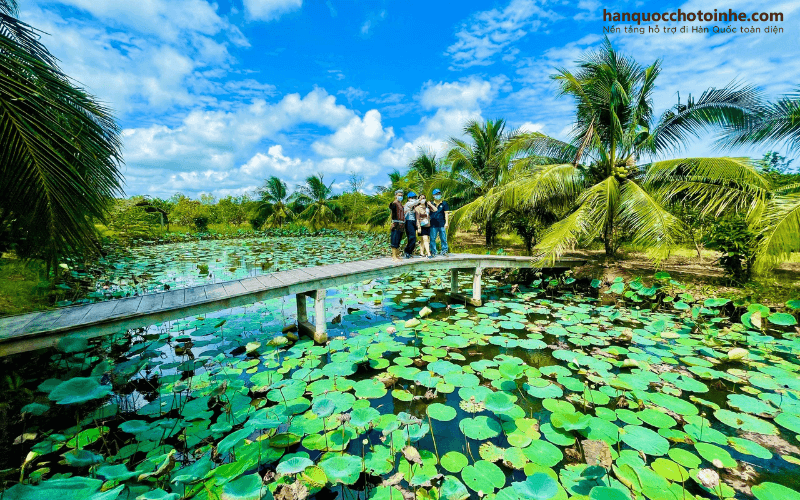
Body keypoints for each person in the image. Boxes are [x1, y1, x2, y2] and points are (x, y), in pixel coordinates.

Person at [414, 193, 437, 259]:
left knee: (423, 240)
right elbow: (417, 218)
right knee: (425, 239)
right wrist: (418, 227)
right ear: (419, 200)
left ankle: (421, 252)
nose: (422, 199)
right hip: (421, 225)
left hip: (428, 225)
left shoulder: (427, 207)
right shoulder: (417, 208)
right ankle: (428, 253)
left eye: (423, 198)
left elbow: (435, 210)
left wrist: (430, 204)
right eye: (421, 198)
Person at [429, 188, 450, 257]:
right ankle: (433, 252)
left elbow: (446, 213)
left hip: (442, 223)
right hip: (433, 224)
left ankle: (444, 251)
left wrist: (447, 223)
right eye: (436, 194)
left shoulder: (444, 203)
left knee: (443, 238)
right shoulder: (431, 204)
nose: (438, 195)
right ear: (433, 196)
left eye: (439, 194)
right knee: (432, 238)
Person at [403, 192, 421, 258]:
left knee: (414, 238)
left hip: (414, 221)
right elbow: (413, 203)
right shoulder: (408, 204)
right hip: (408, 222)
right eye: (412, 198)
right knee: (412, 237)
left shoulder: (415, 206)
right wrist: (419, 200)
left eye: (414, 198)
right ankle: (407, 251)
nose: (413, 199)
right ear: (409, 198)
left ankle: (409, 252)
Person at [389, 189, 405, 262]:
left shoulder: (401, 204)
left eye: (401, 195)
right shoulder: (394, 204)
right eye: (399, 195)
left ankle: (397, 256)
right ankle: (394, 256)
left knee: (398, 240)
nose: (400, 196)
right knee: (394, 240)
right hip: (396, 224)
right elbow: (391, 209)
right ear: (395, 196)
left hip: (401, 224)